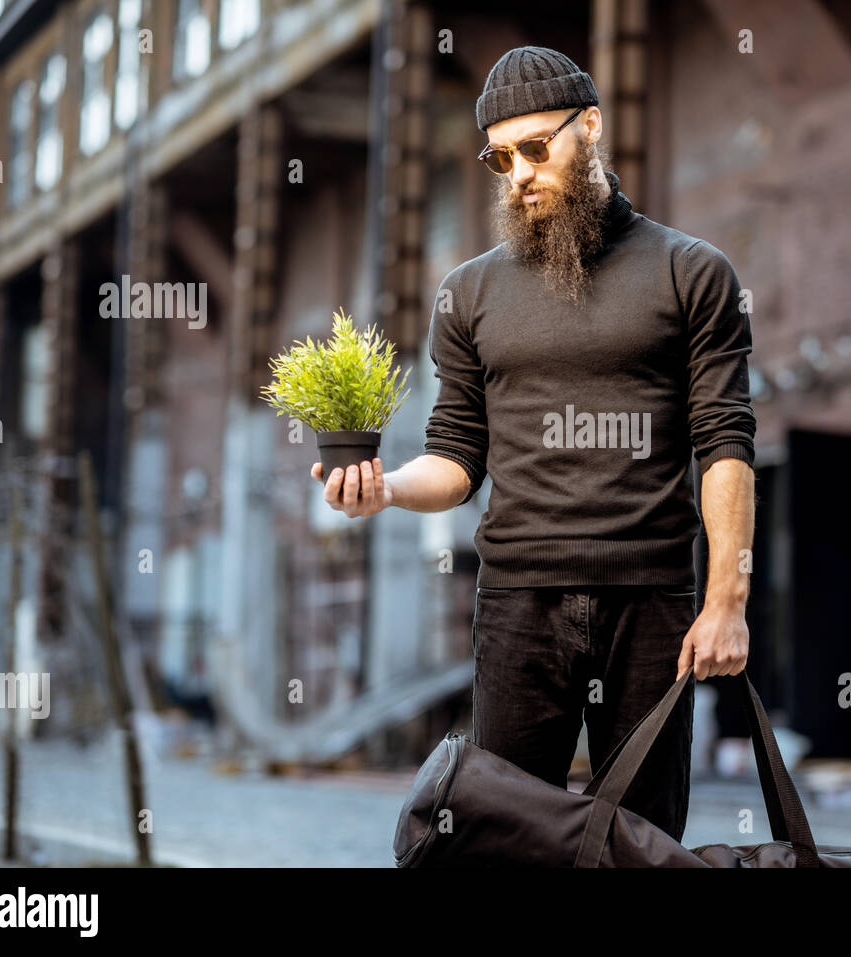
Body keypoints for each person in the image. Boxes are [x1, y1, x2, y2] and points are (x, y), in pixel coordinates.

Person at [312, 45, 755, 843]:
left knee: (644, 845)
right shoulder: (469, 292)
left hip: (651, 604)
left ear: (589, 127)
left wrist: (726, 600)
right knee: (504, 841)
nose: (516, 171)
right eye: (498, 156)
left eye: (534, 148)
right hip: (517, 603)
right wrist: (385, 489)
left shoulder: (692, 272)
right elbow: (455, 456)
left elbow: (725, 444)